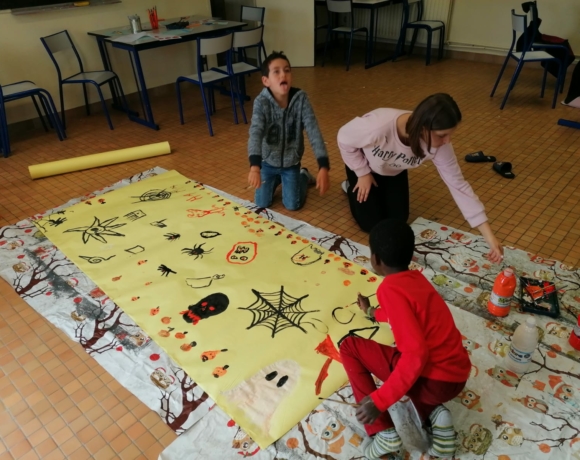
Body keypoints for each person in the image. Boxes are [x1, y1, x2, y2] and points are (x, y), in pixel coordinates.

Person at [339, 219, 471, 460]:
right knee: (409, 371)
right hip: (456, 377)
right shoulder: (417, 280)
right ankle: (436, 417)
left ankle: (382, 431)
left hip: (433, 381)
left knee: (349, 346)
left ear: (375, 258)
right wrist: (371, 313)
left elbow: (416, 354)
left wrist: (378, 401)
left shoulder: (389, 289)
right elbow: (400, 314)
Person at [337, 93, 503, 263]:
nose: (447, 141)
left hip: (394, 169)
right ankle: (350, 185)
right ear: (423, 126)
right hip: (364, 166)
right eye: (442, 135)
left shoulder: (440, 144)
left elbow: (458, 184)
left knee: (399, 220)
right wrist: (362, 172)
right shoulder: (378, 126)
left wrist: (489, 237)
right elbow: (343, 138)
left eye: (450, 135)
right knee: (370, 224)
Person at [247, 51, 329, 210]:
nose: (282, 74)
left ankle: (303, 175)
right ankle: (278, 179)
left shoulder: (301, 99)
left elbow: (314, 132)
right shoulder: (261, 102)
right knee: (262, 203)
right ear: (266, 80)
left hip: (291, 163)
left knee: (293, 205)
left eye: (287, 70)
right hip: (267, 163)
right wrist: (255, 167)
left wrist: (323, 166)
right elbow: (255, 133)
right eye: (276, 71)